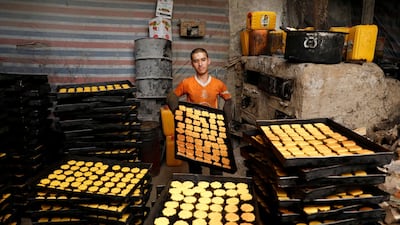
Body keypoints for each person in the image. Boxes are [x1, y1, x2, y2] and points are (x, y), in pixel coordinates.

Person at [166, 47, 233, 175]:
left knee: (217, 167)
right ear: (192, 64)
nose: (200, 64)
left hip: (213, 130)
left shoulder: (218, 84)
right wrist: (179, 114)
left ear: (209, 61)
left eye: (203, 59)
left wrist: (226, 121)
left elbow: (229, 100)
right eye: (196, 61)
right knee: (195, 169)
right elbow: (171, 96)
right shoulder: (187, 83)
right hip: (193, 130)